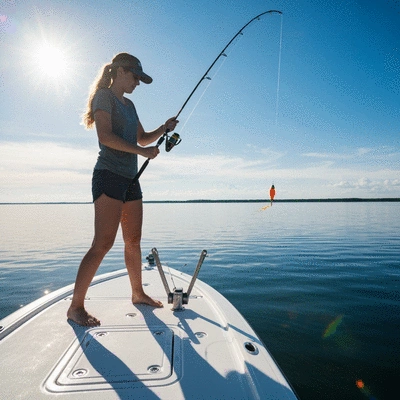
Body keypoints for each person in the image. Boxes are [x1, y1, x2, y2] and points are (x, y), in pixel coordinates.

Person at [67, 53, 178, 326]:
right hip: (109, 176)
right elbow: (105, 137)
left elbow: (141, 137)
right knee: (103, 243)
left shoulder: (130, 105)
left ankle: (138, 293)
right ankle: (75, 306)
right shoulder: (104, 97)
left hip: (130, 180)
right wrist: (142, 152)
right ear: (121, 71)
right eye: (136, 77)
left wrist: (163, 129)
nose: (138, 83)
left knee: (133, 240)